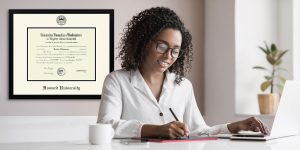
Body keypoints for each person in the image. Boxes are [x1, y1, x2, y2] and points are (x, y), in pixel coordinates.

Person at [97, 7, 268, 139]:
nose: (168, 56)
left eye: (175, 50)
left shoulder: (183, 86)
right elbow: (106, 125)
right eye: (162, 46)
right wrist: (156, 130)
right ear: (144, 42)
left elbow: (199, 131)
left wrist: (235, 127)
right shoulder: (117, 81)